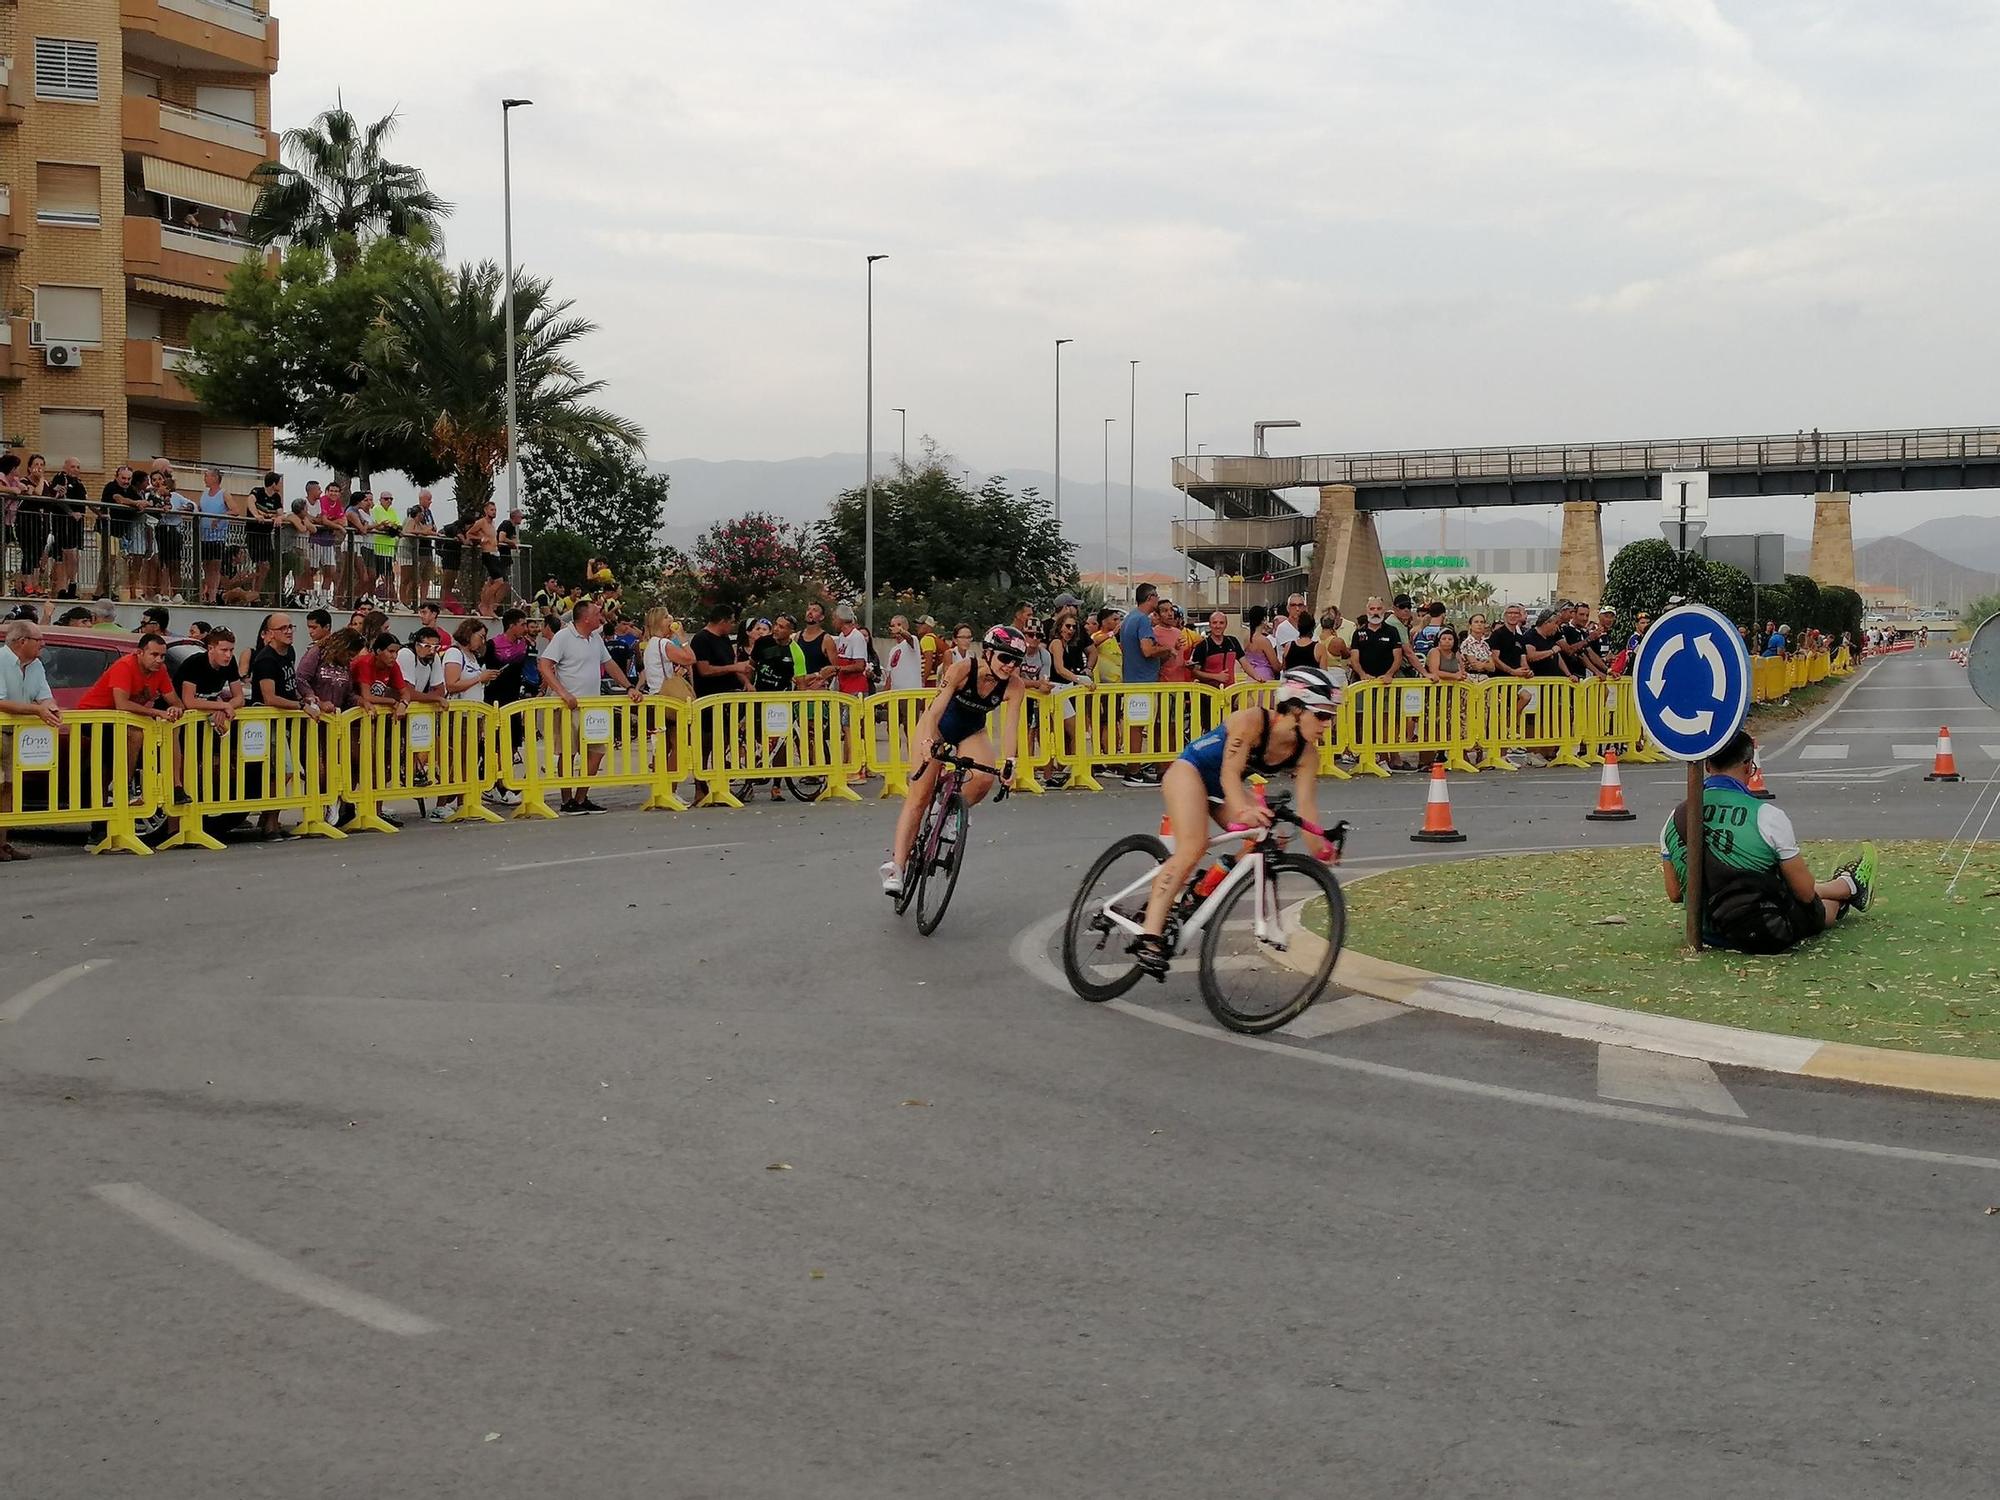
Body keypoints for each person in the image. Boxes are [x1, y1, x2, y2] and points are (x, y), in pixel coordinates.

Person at [1127, 665, 1340, 979]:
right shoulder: (1252, 720)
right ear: (1295, 708)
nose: (1327, 724)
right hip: (1191, 771)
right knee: (1193, 845)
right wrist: (1244, 810)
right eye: (1321, 715)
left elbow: (1308, 809)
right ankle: (1150, 936)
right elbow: (1229, 772)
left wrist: (1322, 851)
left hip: (1224, 787)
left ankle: (1201, 891)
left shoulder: (1308, 754)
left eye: (1330, 717)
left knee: (1266, 839)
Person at [1661, 729, 1874, 952]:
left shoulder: (1674, 818)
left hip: (1707, 934)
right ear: (1748, 766)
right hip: (1763, 928)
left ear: (1707, 766)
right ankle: (1848, 888)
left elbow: (1675, 893)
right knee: (1812, 904)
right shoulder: (1767, 816)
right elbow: (1804, 892)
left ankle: (1847, 885)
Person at [881, 624, 1025, 897]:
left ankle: (947, 809)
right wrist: (927, 743)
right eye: (1005, 658)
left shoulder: (1015, 686)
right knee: (919, 796)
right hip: (936, 727)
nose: (1010, 666)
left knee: (983, 778)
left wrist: (1010, 763)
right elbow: (934, 713)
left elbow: (1010, 727)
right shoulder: (962, 669)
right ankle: (897, 867)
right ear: (988, 653)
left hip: (971, 731)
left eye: (1016, 661)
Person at [539, 600, 642, 814]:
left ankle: (581, 797)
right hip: (570, 706)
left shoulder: (595, 638)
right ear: (585, 617)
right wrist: (563, 692)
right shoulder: (564, 637)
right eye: (597, 613)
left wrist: (628, 686)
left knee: (596, 751)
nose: (601, 616)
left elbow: (609, 664)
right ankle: (567, 800)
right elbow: (545, 665)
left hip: (593, 706)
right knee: (568, 753)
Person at [77, 631, 187, 801]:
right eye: (154, 655)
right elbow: (122, 704)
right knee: (134, 735)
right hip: (94, 716)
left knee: (164, 731)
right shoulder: (125, 665)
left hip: (121, 718)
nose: (159, 660)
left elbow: (174, 700)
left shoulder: (160, 670)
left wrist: (176, 709)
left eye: (163, 656)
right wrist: (158, 712)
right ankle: (122, 784)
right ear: (139, 653)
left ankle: (173, 785)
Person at [0, 618, 61, 860]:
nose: (43, 645)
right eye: (39, 640)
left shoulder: (36, 665)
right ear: (21, 641)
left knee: (9, 788)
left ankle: (3, 843)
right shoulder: (1, 660)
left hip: (17, 735)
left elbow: (44, 695)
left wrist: (50, 707)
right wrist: (37, 710)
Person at [1190, 611, 1242, 689]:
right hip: (1208, 693)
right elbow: (1195, 672)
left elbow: (1245, 663)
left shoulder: (1232, 641)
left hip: (1230, 691)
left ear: (1226, 625)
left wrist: (1258, 677)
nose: (1218, 626)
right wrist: (1216, 676)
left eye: (1221, 623)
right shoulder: (1202, 646)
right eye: (1214, 623)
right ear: (1210, 625)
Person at [883, 615, 925, 692]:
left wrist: (901, 631)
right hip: (895, 695)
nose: (896, 628)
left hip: (911, 694)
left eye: (899, 625)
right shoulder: (892, 650)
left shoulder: (913, 641)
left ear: (907, 626)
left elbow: (909, 638)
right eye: (893, 626)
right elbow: (890, 677)